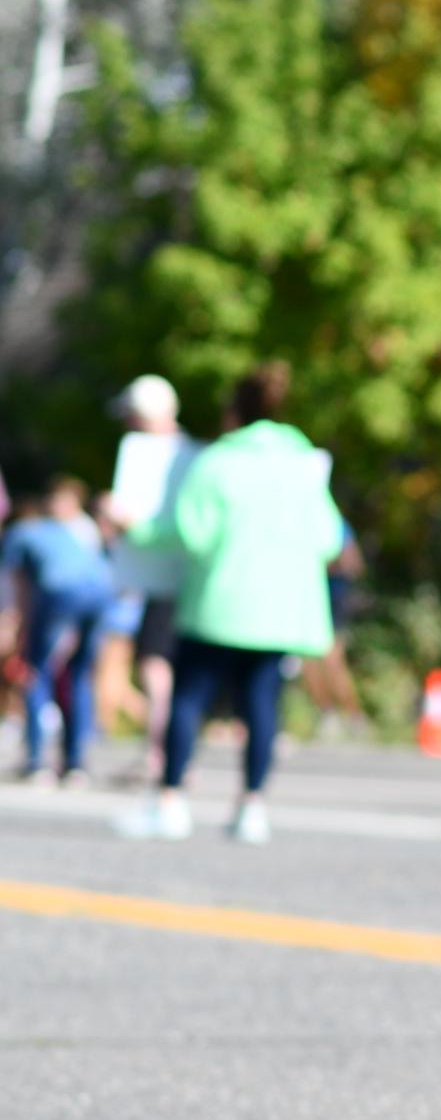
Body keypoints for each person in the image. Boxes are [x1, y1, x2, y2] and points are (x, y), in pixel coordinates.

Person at [117, 362, 350, 847]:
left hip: (220, 604)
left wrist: (133, 526)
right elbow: (329, 539)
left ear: (233, 413)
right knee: (261, 705)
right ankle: (251, 807)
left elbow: (191, 533)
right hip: (282, 612)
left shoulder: (218, 462)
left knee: (189, 699)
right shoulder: (303, 465)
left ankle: (171, 801)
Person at [102, 372, 200, 772]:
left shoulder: (180, 457)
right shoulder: (193, 454)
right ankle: (167, 752)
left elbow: (183, 528)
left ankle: (162, 754)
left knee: (158, 665)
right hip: (171, 578)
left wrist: (130, 525)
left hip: (172, 580)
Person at [5, 474, 121, 785]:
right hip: (99, 598)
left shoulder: (24, 532)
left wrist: (20, 626)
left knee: (36, 671)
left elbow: (19, 587)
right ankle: (75, 762)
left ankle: (37, 760)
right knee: (79, 674)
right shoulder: (87, 530)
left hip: (59, 599)